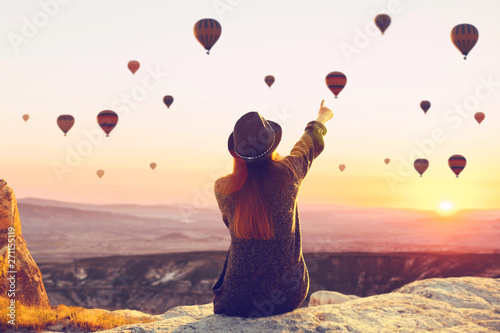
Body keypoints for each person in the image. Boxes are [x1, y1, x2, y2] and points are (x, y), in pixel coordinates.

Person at [212, 100, 333, 317]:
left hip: (234, 301)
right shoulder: (288, 173)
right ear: (272, 145)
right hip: (285, 295)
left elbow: (231, 225)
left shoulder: (222, 188)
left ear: (237, 152)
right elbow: (306, 146)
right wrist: (321, 119)